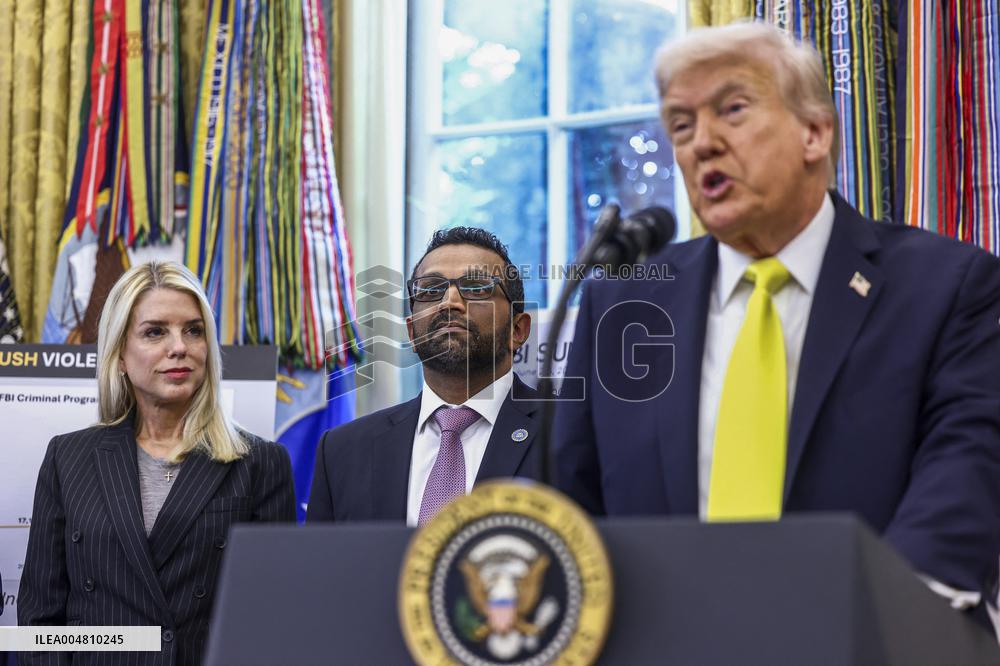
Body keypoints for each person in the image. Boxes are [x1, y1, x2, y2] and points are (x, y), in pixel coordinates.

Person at [553, 21, 1000, 626]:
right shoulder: (624, 308)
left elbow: (968, 470)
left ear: (815, 132)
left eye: (732, 109)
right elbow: (575, 501)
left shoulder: (947, 287)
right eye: (680, 125)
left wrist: (877, 624)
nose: (702, 143)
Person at [18, 261, 296, 665]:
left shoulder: (260, 463)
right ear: (119, 355)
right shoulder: (67, 458)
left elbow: (273, 620)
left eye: (193, 330)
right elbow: (39, 625)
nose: (179, 346)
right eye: (155, 332)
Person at [308, 227, 544, 525]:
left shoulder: (566, 436)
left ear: (518, 330)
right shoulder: (342, 450)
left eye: (476, 288)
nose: (449, 302)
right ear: (411, 332)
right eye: (431, 290)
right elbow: (321, 556)